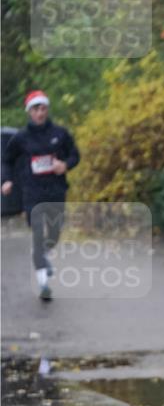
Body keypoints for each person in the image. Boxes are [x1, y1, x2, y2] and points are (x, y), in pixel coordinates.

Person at [1, 90, 80, 301]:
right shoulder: (20, 138)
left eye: (43, 108)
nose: (40, 112)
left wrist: (65, 165)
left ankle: (42, 254)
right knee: (37, 232)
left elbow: (75, 155)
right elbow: (7, 160)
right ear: (29, 112)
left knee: (53, 234)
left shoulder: (60, 134)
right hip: (32, 192)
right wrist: (7, 180)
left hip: (55, 190)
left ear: (47, 109)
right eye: (36, 109)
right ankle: (43, 283)